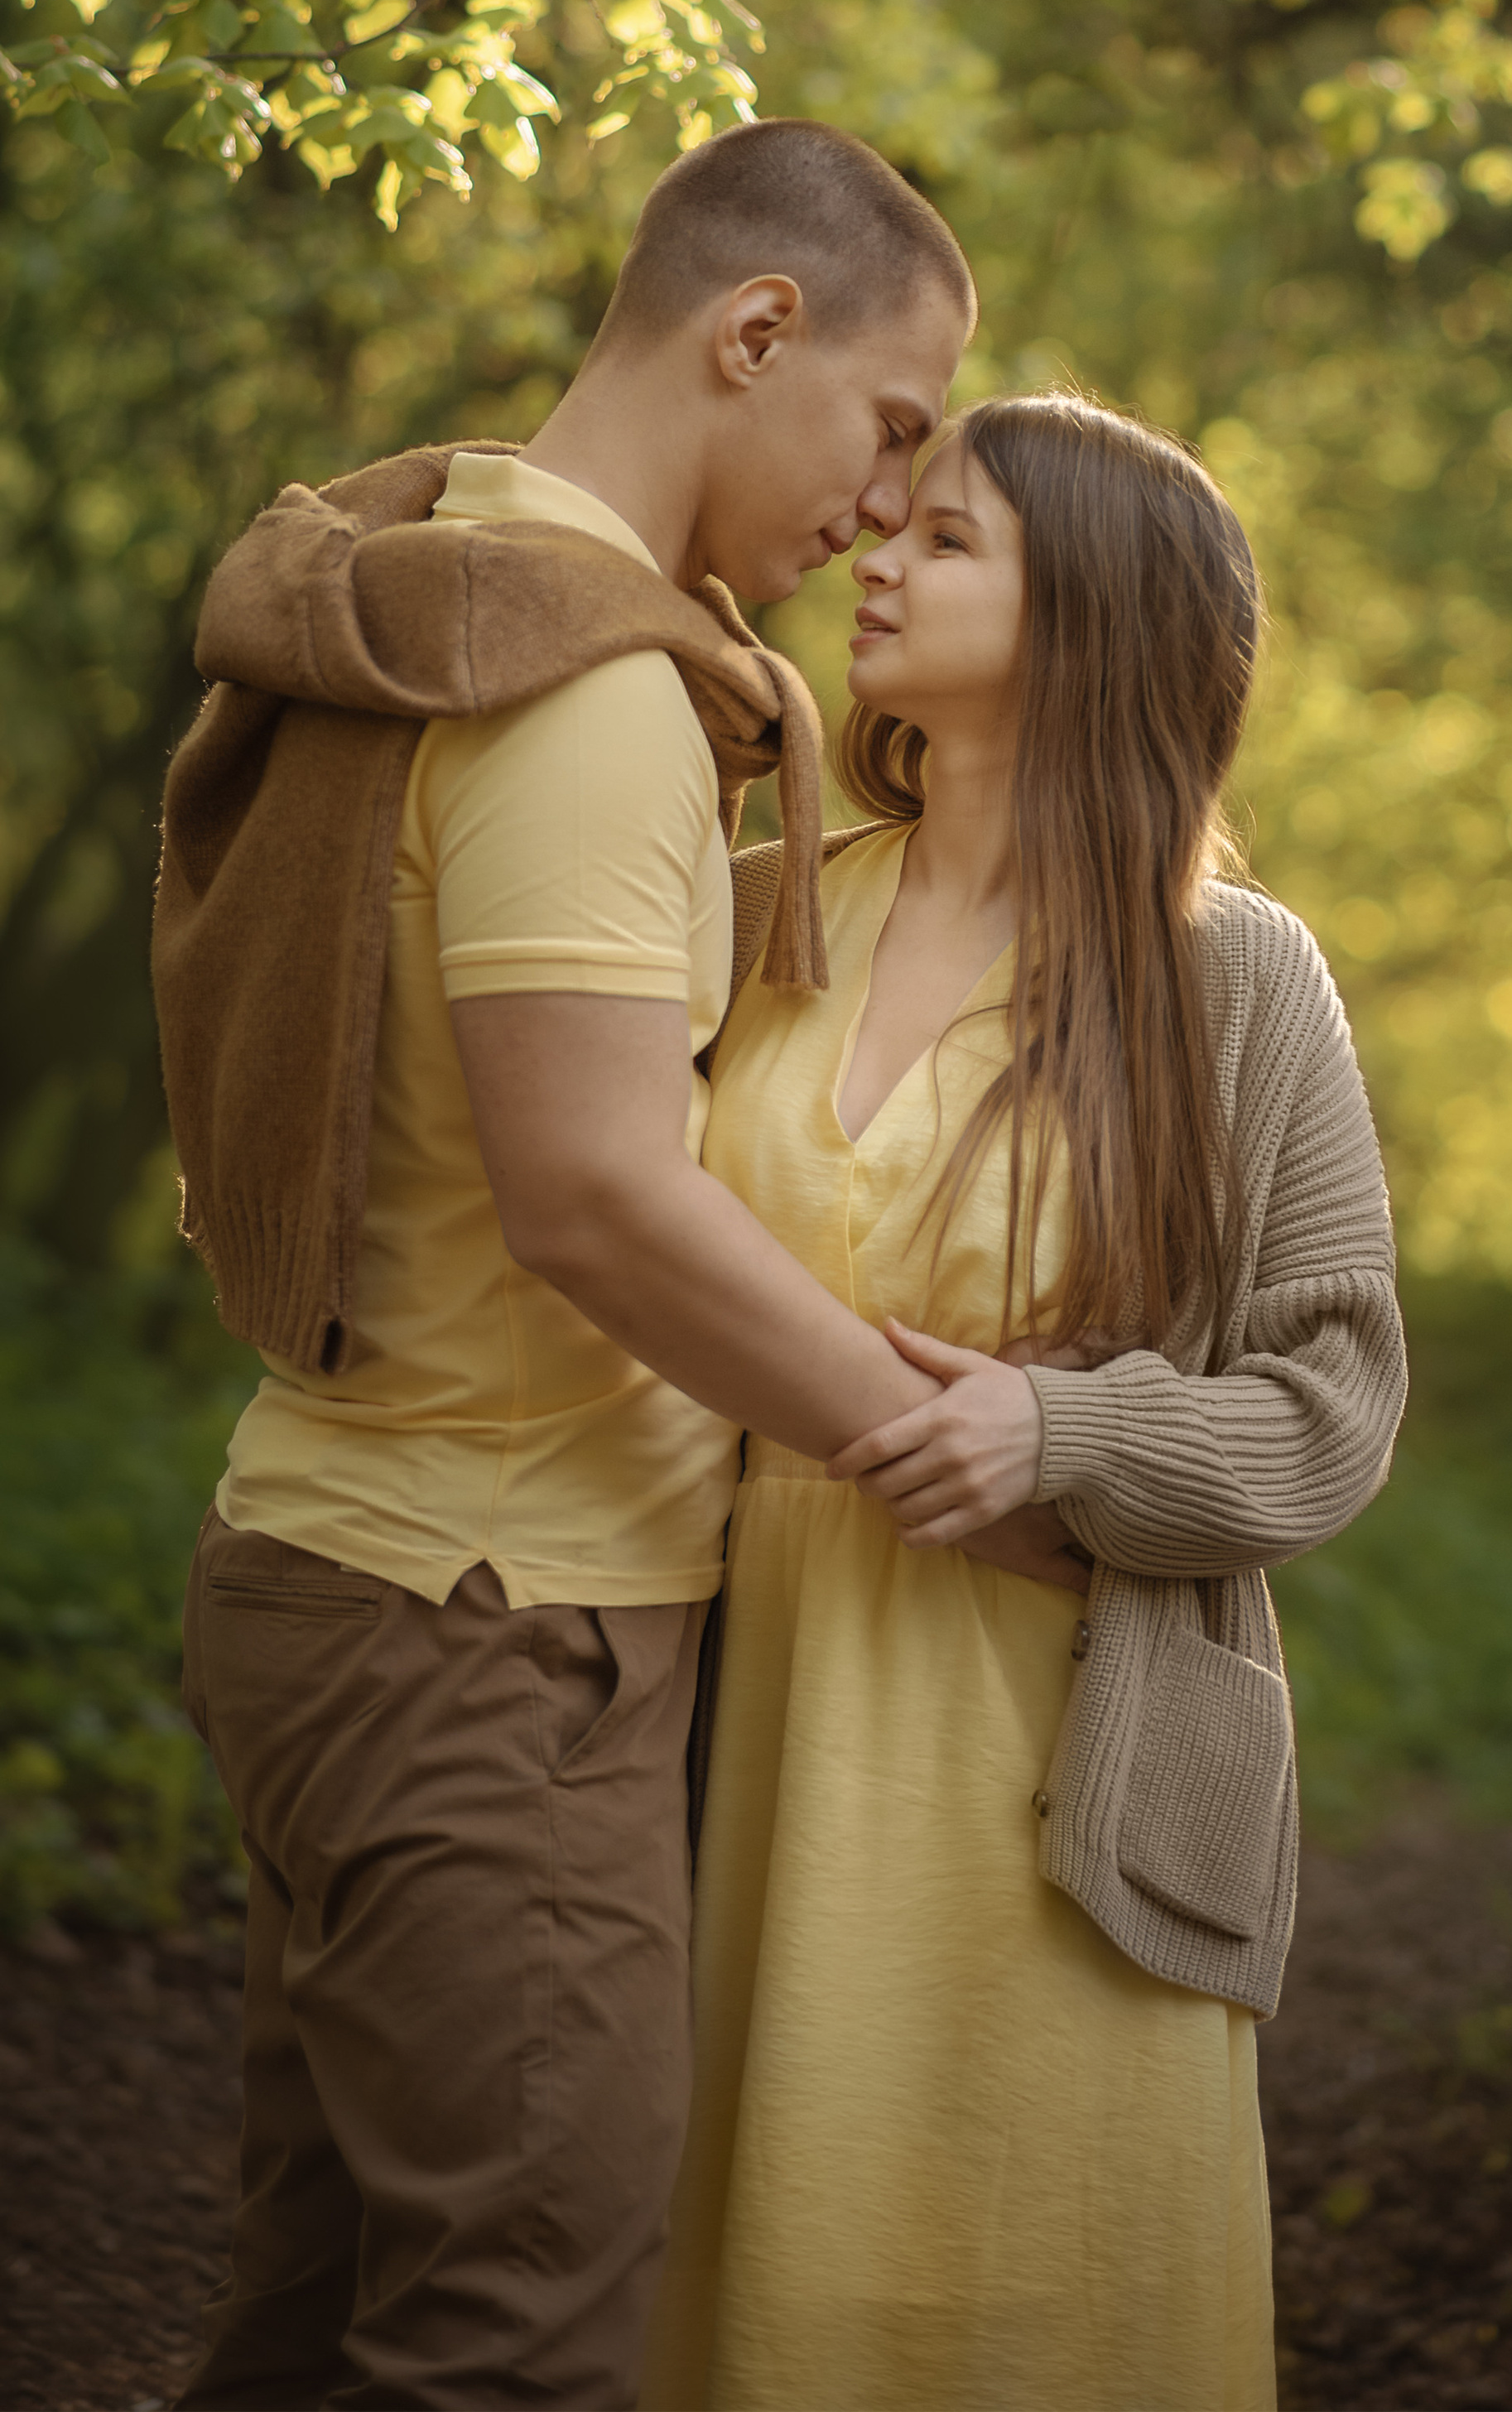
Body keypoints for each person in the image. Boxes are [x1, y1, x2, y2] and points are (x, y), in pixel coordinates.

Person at [155, 121, 1076, 2412]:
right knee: (518, 2336)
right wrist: (935, 1438)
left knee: (320, 2311)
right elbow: (589, 1193)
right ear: (753, 330)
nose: (884, 503)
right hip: (485, 1618)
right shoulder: (578, 698)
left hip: (343, 1550)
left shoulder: (443, 584)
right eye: (886, 428)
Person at [642, 392, 1408, 2412]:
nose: (876, 557)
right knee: (742, 2308)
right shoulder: (745, 907)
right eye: (891, 524)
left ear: (1092, 619)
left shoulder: (1234, 978)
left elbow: (1330, 1411)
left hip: (1057, 1784)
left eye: (949, 538)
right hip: (737, 1745)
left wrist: (1064, 1437)